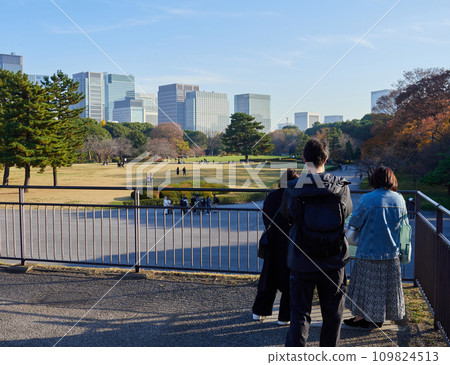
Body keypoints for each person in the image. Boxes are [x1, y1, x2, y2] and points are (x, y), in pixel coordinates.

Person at [280, 139, 352, 347]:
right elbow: (346, 212)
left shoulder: (293, 187)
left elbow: (286, 215)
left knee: (300, 313)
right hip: (333, 257)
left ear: (303, 159)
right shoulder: (340, 186)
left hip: (302, 257)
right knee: (333, 313)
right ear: (326, 159)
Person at [344, 166, 406, 329]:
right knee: (385, 289)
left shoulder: (367, 199)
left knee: (366, 288)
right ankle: (377, 318)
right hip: (391, 253)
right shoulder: (399, 199)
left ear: (374, 180)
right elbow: (404, 228)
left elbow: (355, 222)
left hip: (368, 252)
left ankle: (362, 317)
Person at [252, 168, 300, 326]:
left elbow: (265, 217)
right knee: (289, 279)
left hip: (272, 241)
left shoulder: (272, 195)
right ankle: (284, 316)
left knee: (268, 276)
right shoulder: (295, 196)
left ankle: (259, 311)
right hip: (289, 242)